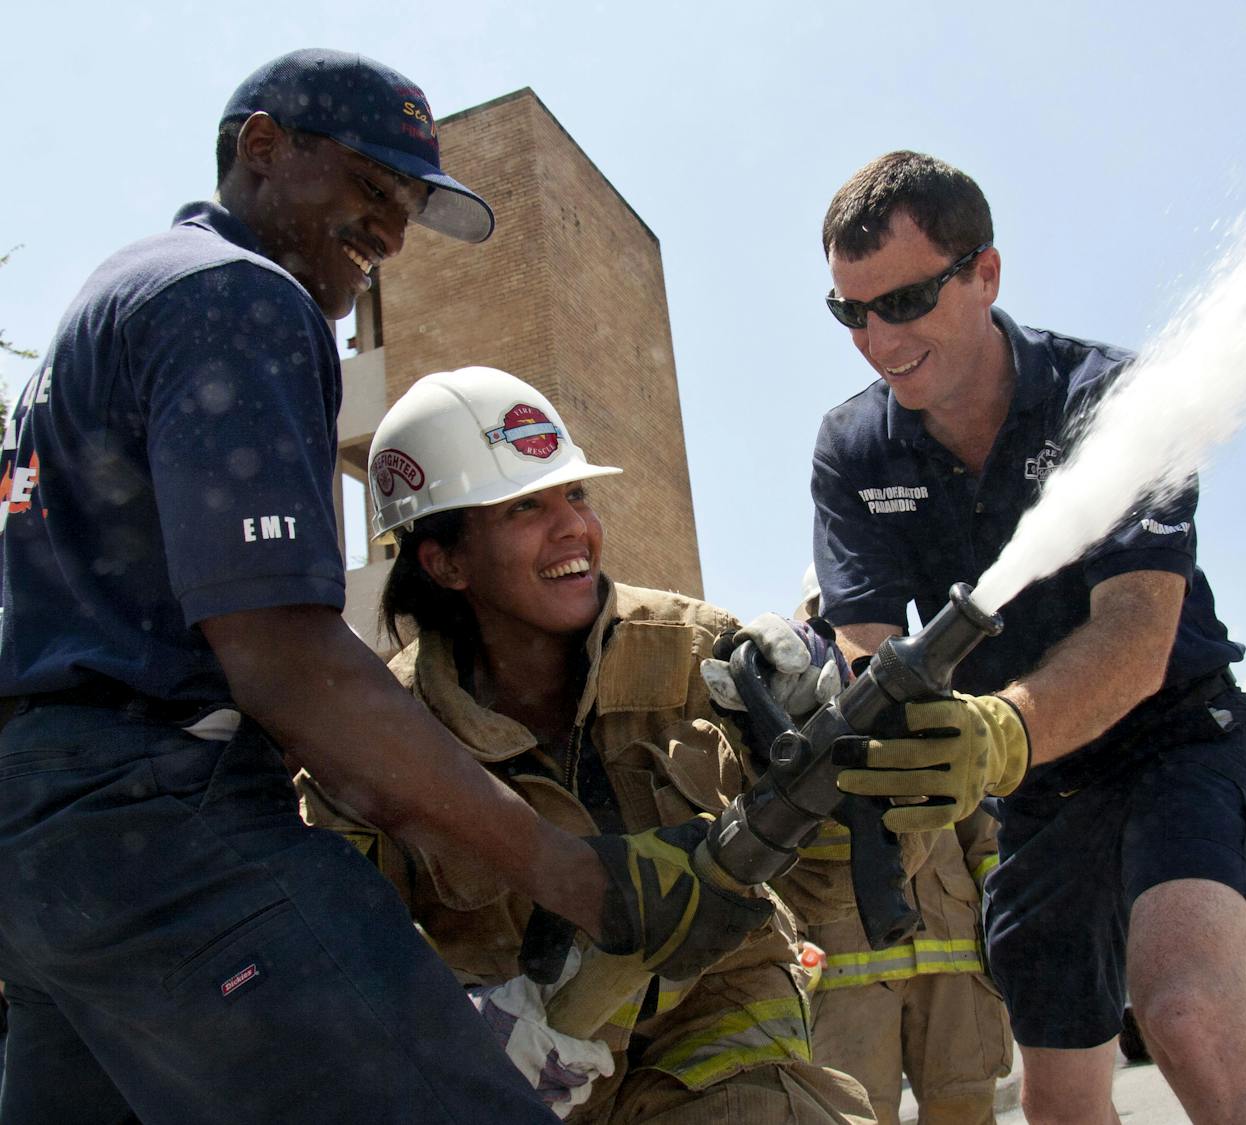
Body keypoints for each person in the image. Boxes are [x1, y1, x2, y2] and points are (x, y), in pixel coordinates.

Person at [0, 51, 766, 1123]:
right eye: (371, 189)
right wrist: (581, 877)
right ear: (261, 151)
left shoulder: (119, 298)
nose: (392, 235)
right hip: (165, 824)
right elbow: (284, 661)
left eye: (407, 207)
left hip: (45, 853)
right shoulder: (239, 299)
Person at [810, 151, 1246, 1123]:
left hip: (1180, 745)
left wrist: (994, 730)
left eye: (904, 301)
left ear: (985, 273)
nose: (877, 339)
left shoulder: (1114, 400)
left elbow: (1136, 637)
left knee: (1188, 1014)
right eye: (849, 311)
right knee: (1060, 1107)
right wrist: (886, 735)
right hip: (1035, 793)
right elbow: (866, 642)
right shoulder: (854, 449)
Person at [301, 367, 875, 1122]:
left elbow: (833, 893)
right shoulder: (376, 738)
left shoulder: (698, 651)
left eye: (576, 494)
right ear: (445, 561)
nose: (574, 526)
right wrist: (462, 1030)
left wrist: (838, 775)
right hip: (526, 1092)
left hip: (727, 1047)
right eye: (525, 506)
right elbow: (323, 963)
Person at [789, 571, 1013, 1125]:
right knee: (858, 1115)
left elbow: (980, 831)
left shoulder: (931, 700)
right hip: (846, 967)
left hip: (953, 954)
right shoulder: (793, 712)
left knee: (965, 1103)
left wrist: (1002, 914)